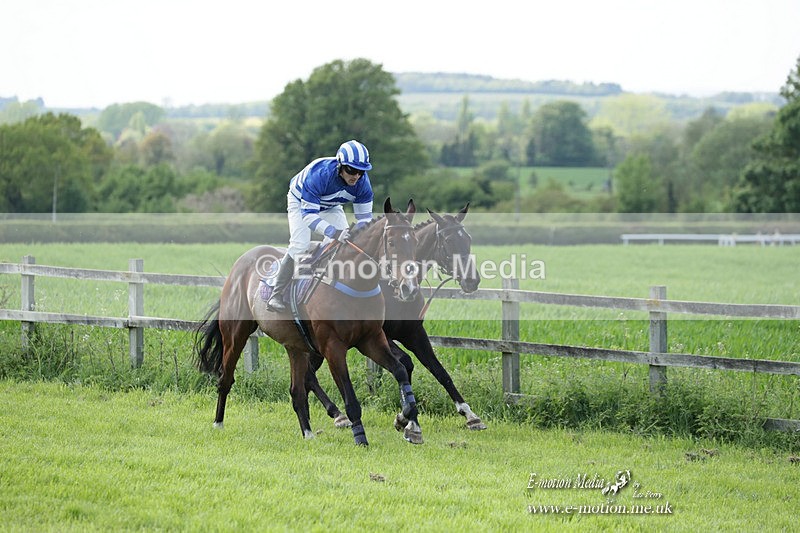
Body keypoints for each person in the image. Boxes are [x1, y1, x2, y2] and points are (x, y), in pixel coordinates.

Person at [267, 139, 374, 312]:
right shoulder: (320, 174)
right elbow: (309, 217)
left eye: (361, 171)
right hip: (301, 201)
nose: (356, 176)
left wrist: (355, 234)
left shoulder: (363, 184)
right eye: (351, 170)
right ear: (340, 165)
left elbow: (365, 220)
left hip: (331, 205)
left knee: (344, 244)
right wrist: (334, 232)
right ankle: (276, 294)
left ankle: (331, 288)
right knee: (300, 245)